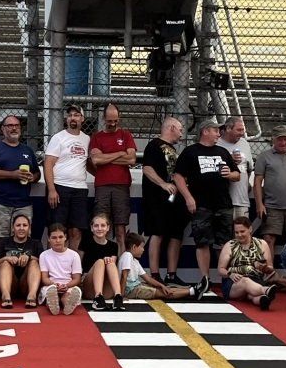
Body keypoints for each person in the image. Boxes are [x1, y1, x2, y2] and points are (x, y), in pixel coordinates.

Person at [175, 117, 242, 298]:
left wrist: (231, 174)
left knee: (225, 243)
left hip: (223, 203)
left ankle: (226, 279)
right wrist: (188, 197)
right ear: (205, 131)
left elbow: (237, 174)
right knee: (202, 242)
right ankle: (205, 279)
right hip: (201, 204)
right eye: (215, 131)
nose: (218, 134)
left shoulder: (222, 151)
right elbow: (178, 176)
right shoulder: (190, 152)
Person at [0, 114, 41, 251]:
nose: (14, 128)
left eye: (16, 125)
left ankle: (18, 272)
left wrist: (33, 177)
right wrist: (12, 175)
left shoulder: (27, 150)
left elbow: (37, 173)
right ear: (3, 129)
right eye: (10, 126)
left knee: (23, 240)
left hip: (23, 203)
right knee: (0, 240)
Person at [139, 115, 186, 283]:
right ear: (171, 128)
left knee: (175, 235)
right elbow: (147, 169)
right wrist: (162, 184)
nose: (181, 134)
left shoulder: (174, 150)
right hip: (156, 199)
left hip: (174, 200)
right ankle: (155, 273)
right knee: (157, 233)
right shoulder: (154, 145)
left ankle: (171, 274)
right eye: (180, 130)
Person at [44, 103, 93, 248]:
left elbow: (88, 163)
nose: (73, 118)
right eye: (70, 115)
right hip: (60, 187)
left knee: (76, 231)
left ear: (82, 119)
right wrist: (52, 189)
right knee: (56, 230)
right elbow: (48, 164)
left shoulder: (87, 139)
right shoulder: (58, 138)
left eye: (76, 115)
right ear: (66, 119)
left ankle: (72, 266)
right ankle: (52, 267)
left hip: (80, 189)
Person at [87, 102, 138, 241]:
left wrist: (106, 158)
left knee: (120, 229)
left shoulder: (126, 135)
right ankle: (102, 259)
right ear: (104, 119)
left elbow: (132, 160)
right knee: (101, 226)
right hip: (102, 186)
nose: (113, 123)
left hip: (121, 185)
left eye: (115, 120)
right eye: (110, 121)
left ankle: (120, 261)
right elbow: (96, 160)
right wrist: (120, 153)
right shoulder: (97, 137)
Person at [220, 213, 281, 310]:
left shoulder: (262, 244)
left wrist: (264, 268)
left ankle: (263, 300)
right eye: (236, 232)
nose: (239, 235)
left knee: (252, 295)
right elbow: (221, 270)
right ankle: (265, 291)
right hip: (233, 283)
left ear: (250, 229)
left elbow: (270, 268)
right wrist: (230, 274)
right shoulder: (230, 245)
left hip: (256, 280)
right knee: (245, 281)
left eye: (242, 231)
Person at [0, 210, 44, 309]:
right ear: (13, 228)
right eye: (18, 225)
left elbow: (44, 264)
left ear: (29, 228)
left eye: (24, 225)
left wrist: (29, 257)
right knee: (5, 263)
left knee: (34, 262)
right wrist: (6, 258)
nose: (21, 228)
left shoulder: (36, 243)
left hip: (26, 285)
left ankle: (32, 296)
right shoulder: (4, 242)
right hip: (7, 284)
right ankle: (6, 296)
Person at [119, 229, 184, 304]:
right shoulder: (127, 255)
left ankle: (192, 291)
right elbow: (124, 276)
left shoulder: (135, 261)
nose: (143, 250)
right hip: (131, 290)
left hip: (137, 286)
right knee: (165, 294)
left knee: (164, 289)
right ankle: (193, 292)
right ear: (134, 247)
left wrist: (161, 285)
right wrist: (122, 295)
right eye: (142, 247)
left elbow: (148, 279)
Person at [37, 223, 84, 314]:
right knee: (51, 296)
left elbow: (77, 278)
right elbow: (44, 278)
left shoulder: (74, 255)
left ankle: (68, 305)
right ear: (48, 239)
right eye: (54, 238)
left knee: (67, 297)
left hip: (69, 285)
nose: (57, 240)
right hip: (50, 286)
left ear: (65, 237)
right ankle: (53, 305)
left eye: (60, 237)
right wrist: (54, 285)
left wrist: (66, 286)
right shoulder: (44, 255)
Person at [82, 210, 124, 310]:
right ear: (92, 228)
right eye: (96, 226)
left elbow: (112, 264)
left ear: (108, 227)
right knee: (100, 262)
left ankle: (118, 297)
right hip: (89, 287)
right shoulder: (86, 242)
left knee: (109, 262)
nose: (99, 228)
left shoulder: (113, 246)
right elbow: (78, 264)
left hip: (107, 289)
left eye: (103, 225)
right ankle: (98, 298)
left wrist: (108, 259)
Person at [220, 115, 254, 222]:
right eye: (239, 130)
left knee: (241, 234)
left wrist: (247, 183)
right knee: (225, 235)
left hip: (242, 199)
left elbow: (249, 168)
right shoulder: (217, 143)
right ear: (228, 129)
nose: (242, 133)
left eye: (243, 130)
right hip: (223, 201)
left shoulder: (244, 143)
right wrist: (230, 160)